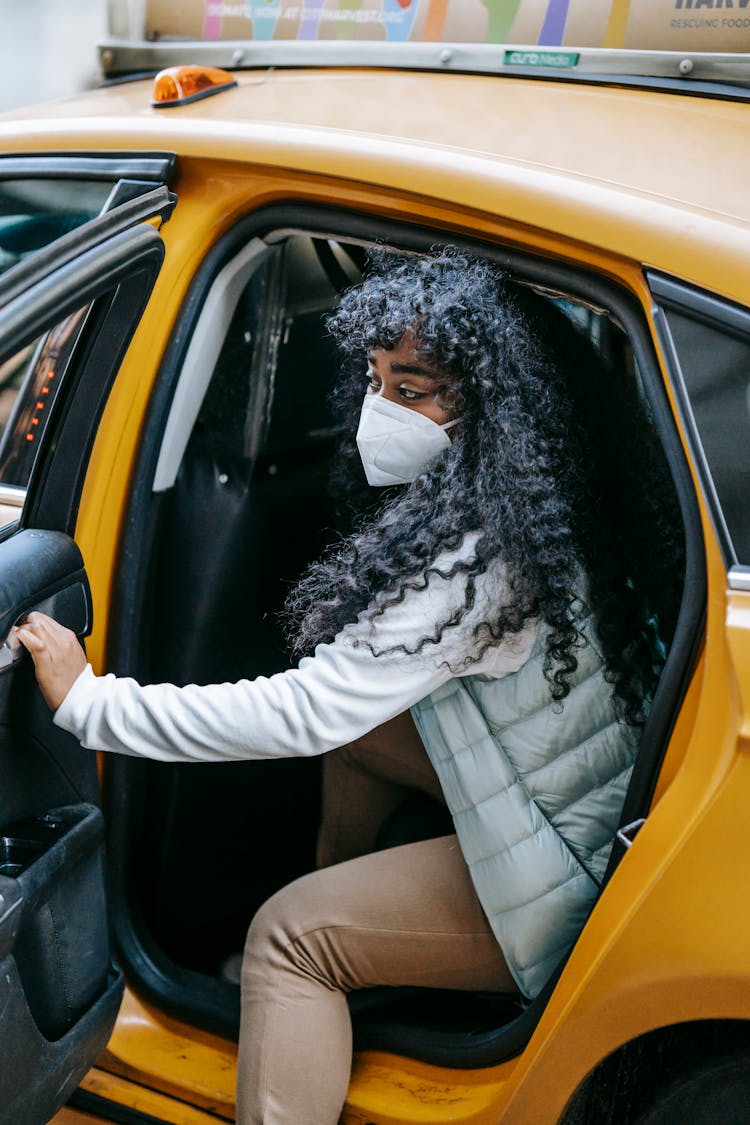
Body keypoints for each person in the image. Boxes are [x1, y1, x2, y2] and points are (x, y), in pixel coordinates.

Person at [15, 250, 683, 1125]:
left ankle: (317, 963)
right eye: (375, 381)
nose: (380, 411)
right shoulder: (539, 488)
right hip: (589, 805)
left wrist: (89, 703)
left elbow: (301, 709)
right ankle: (357, 936)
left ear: (489, 402)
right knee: (361, 737)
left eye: (413, 389)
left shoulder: (477, 559)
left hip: (565, 880)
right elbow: (345, 715)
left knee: (287, 938)